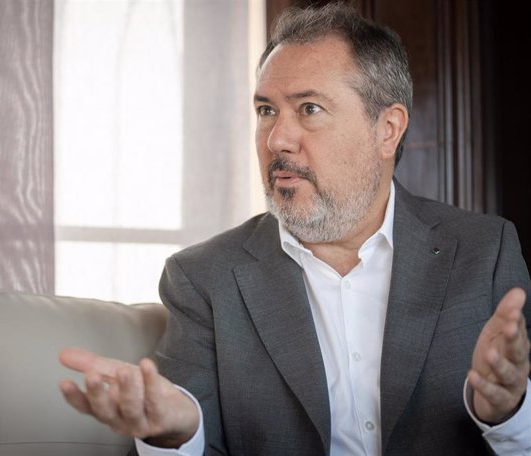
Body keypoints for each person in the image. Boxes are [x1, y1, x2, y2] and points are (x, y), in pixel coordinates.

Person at [59, 3, 531, 455]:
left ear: (387, 129)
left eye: (309, 109)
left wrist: (508, 414)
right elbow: (180, 424)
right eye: (266, 110)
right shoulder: (204, 277)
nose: (276, 139)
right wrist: (177, 436)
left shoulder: (483, 253)